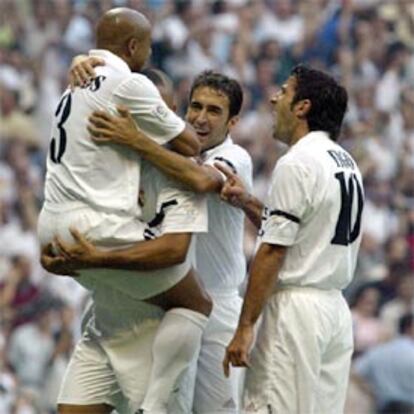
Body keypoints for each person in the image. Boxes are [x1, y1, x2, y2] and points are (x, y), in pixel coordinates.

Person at [38, 8, 212, 414]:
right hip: (96, 236)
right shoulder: (128, 84)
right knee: (196, 302)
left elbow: (203, 179)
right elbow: (189, 143)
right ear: (134, 47)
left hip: (59, 228)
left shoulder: (73, 91)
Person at [53, 68, 253, 413]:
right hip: (168, 303)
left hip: (216, 307)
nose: (201, 118)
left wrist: (136, 140)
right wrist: (86, 63)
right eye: (196, 107)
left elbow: (200, 180)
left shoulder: (235, 158)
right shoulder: (165, 152)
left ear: (232, 122)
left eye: (214, 111)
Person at [218, 65, 364, 413]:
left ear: (303, 107)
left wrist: (244, 328)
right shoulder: (346, 162)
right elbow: (303, 232)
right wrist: (249, 201)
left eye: (283, 91)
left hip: (295, 312)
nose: (273, 97)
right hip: (334, 313)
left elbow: (272, 249)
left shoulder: (296, 162)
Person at [353, 313, 414, 412]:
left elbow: (355, 373)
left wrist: (371, 392)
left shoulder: (378, 351)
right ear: (410, 328)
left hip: (383, 407)